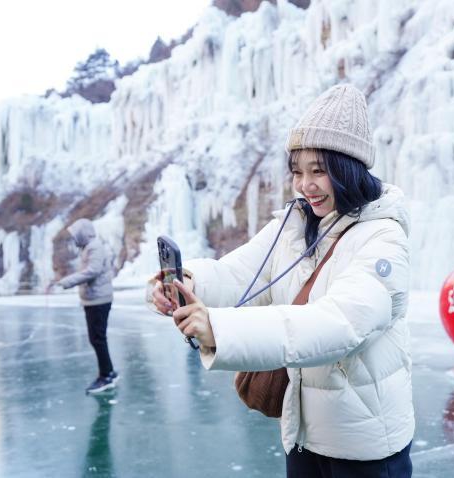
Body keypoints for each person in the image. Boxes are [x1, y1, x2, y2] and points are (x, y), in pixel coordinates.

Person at [151, 84, 414, 476]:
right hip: (304, 435)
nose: (306, 185)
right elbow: (238, 274)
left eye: (319, 171)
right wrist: (188, 283)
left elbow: (340, 323)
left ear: (349, 169)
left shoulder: (383, 238)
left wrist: (218, 329)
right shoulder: (295, 225)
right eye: (297, 172)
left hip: (366, 448)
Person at [53, 218, 119, 393]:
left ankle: (107, 375)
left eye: (76, 234)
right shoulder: (88, 247)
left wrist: (67, 281)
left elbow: (92, 271)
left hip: (99, 300)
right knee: (97, 338)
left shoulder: (94, 247)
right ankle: (108, 372)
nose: (74, 238)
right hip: (94, 299)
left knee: (97, 338)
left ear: (83, 233)